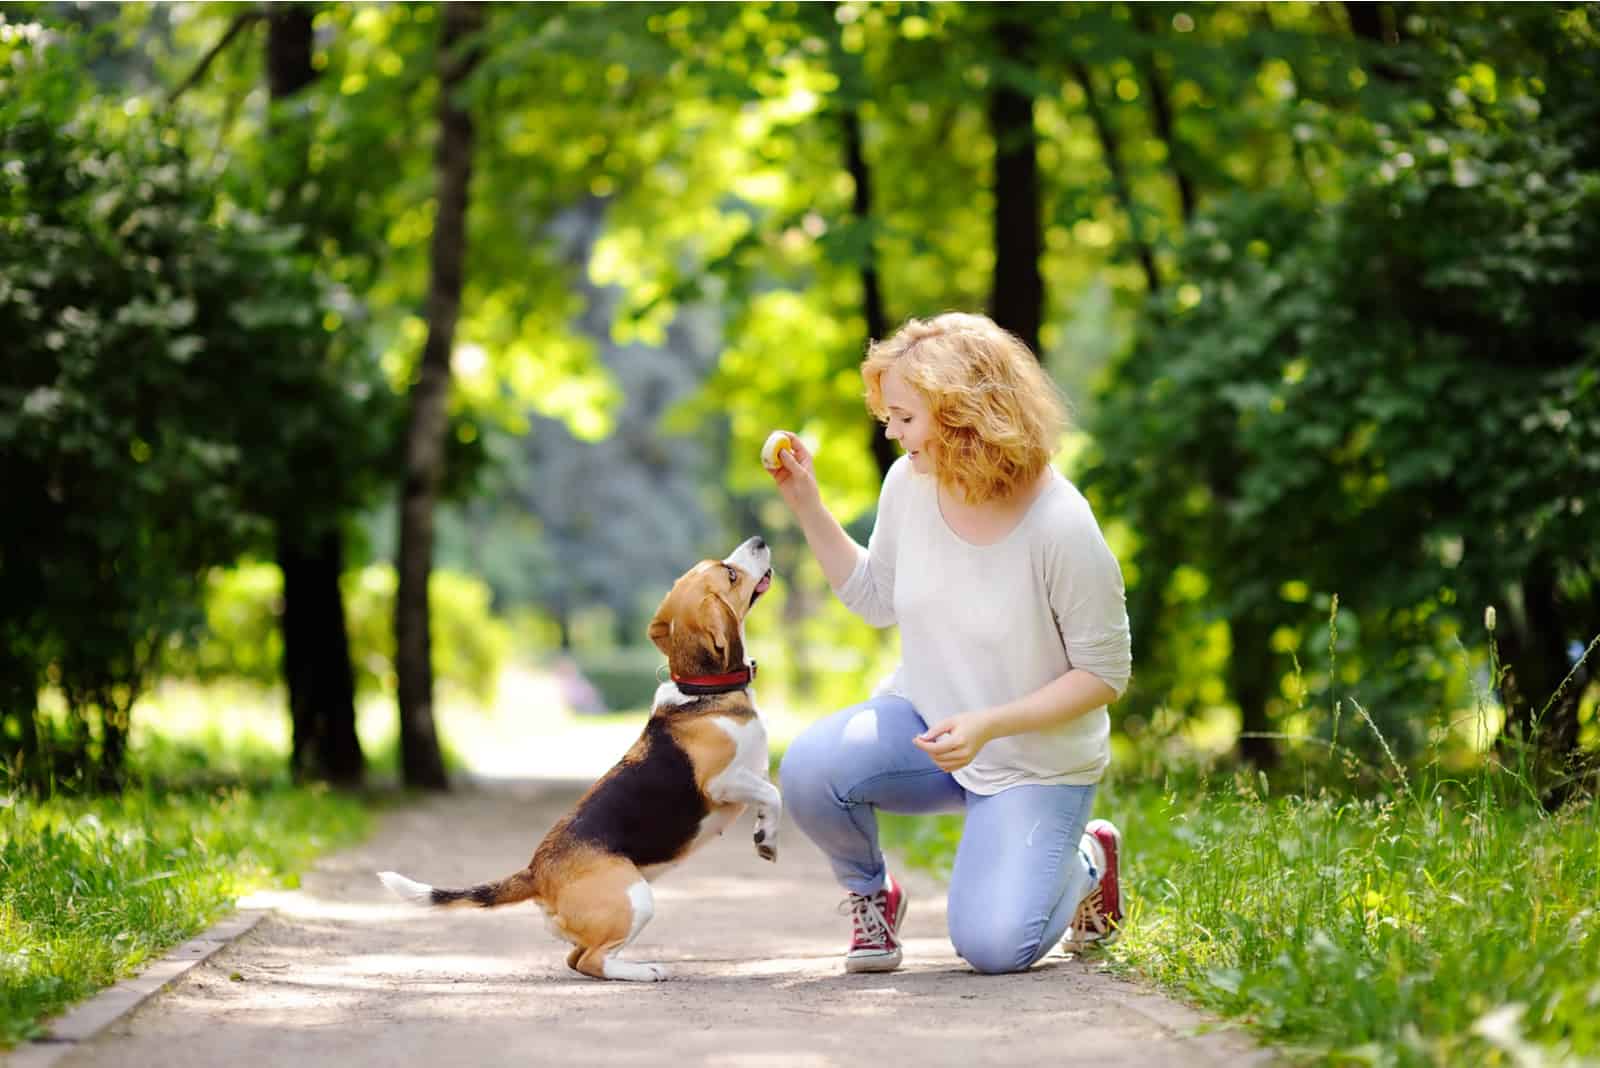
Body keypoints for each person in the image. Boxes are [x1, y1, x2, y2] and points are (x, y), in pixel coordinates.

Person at [766, 311, 1132, 975]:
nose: (890, 431)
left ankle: (1087, 859)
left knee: (994, 949)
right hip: (928, 726)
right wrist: (806, 504)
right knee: (811, 769)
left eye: (904, 417)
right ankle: (871, 898)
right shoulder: (910, 483)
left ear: (964, 414)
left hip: (1033, 759)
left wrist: (991, 725)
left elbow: (1105, 674)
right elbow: (876, 598)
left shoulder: (1062, 525)